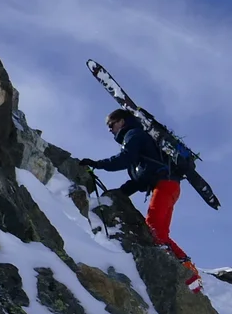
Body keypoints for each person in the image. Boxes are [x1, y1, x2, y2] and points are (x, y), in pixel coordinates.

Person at [79, 109, 197, 283]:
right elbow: (142, 179)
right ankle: (190, 274)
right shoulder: (139, 139)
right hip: (170, 185)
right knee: (160, 233)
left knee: (153, 228)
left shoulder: (133, 134)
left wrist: (97, 164)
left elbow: (124, 159)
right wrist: (120, 193)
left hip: (164, 185)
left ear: (122, 121)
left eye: (111, 124)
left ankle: (177, 269)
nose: (110, 129)